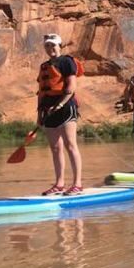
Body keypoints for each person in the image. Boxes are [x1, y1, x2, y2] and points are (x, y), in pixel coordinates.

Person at [37, 33, 83, 195]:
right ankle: (59, 184)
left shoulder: (67, 61)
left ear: (59, 46)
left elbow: (71, 87)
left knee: (70, 145)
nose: (50, 49)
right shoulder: (44, 66)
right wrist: (39, 115)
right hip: (48, 111)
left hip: (66, 107)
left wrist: (60, 104)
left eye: (53, 45)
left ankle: (77, 184)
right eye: (47, 46)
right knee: (56, 148)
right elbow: (41, 93)